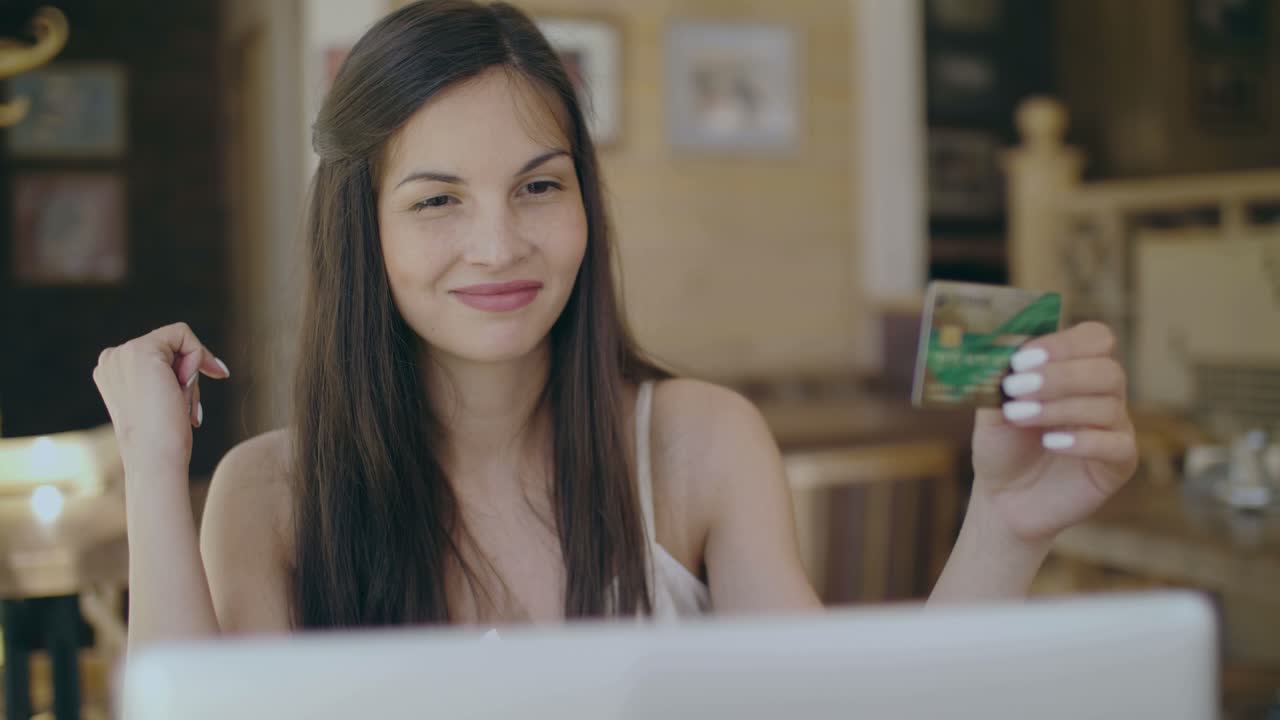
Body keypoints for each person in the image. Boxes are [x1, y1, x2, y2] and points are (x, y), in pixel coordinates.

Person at [91, 0, 1137, 652]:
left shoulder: (700, 441)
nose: (498, 245)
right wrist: (150, 469)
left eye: (538, 187)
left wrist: (1007, 524)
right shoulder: (271, 495)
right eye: (437, 199)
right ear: (360, 230)